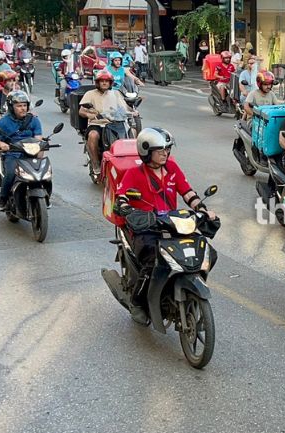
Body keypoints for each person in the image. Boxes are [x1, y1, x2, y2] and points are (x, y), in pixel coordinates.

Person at [115, 127, 216, 324]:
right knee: (153, 261)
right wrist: (128, 209)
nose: (165, 153)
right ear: (146, 151)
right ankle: (137, 302)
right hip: (146, 228)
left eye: (167, 149)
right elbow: (121, 198)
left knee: (207, 253)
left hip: (172, 225)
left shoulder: (172, 168)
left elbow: (188, 193)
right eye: (159, 150)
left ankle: (185, 285)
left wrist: (203, 210)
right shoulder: (134, 174)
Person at [0, 91, 43, 210]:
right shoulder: (4, 121)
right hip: (12, 154)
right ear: (11, 107)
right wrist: (2, 144)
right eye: (19, 106)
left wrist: (40, 146)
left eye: (24, 105)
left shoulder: (33, 120)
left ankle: (44, 197)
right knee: (10, 173)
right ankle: (3, 198)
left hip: (30, 153)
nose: (23, 108)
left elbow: (38, 138)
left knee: (43, 173)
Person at [79, 70, 136, 175]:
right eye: (102, 81)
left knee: (132, 131)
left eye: (107, 81)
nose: (104, 83)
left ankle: (131, 164)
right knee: (93, 135)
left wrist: (132, 112)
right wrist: (90, 115)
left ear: (110, 83)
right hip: (97, 124)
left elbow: (124, 107)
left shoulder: (115, 93)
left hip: (114, 123)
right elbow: (81, 111)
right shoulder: (90, 94)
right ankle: (96, 164)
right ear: (98, 82)